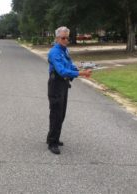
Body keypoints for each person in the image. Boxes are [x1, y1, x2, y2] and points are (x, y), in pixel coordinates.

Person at [46, 26, 91, 155]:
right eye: (63, 38)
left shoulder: (64, 50)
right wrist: (81, 73)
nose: (66, 40)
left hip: (64, 84)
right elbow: (61, 70)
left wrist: (78, 69)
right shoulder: (54, 52)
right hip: (56, 85)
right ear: (57, 38)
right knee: (56, 114)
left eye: (67, 37)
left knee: (61, 114)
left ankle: (53, 137)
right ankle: (52, 143)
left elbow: (69, 65)